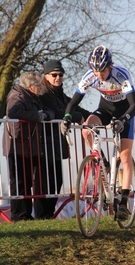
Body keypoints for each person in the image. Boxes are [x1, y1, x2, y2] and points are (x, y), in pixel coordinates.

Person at [61, 45, 135, 220]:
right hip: (105, 110)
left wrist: (123, 120)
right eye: (95, 70)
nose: (99, 75)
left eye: (102, 70)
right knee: (87, 130)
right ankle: (102, 161)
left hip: (125, 113)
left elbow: (134, 106)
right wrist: (66, 117)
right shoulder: (90, 76)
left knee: (125, 157)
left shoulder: (122, 75)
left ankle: (124, 202)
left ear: (110, 66)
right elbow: (72, 104)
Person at [35, 59, 91, 219]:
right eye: (54, 75)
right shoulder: (44, 93)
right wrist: (78, 117)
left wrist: (96, 117)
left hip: (56, 144)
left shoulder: (58, 93)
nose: (58, 77)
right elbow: (59, 113)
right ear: (46, 76)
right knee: (44, 184)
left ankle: (48, 216)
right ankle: (41, 216)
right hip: (44, 146)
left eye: (60, 74)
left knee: (57, 181)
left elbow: (73, 107)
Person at [2, 71, 54, 222]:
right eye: (38, 85)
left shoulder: (32, 98)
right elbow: (13, 112)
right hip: (17, 147)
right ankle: (19, 215)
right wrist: (37, 116)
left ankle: (26, 215)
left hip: (27, 147)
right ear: (31, 87)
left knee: (26, 182)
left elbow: (48, 111)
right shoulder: (17, 96)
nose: (41, 88)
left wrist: (45, 115)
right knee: (19, 182)